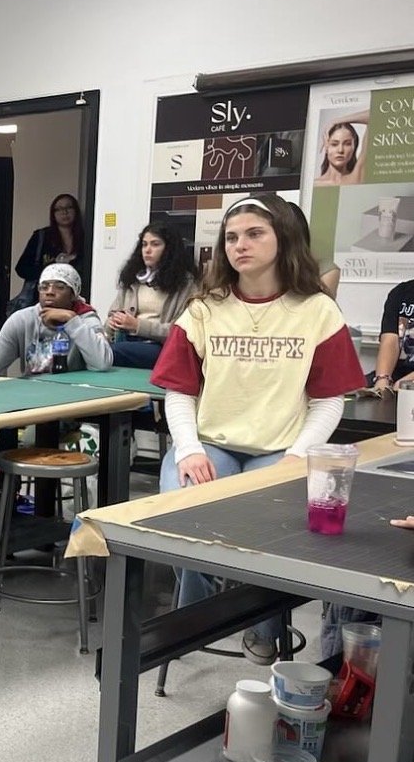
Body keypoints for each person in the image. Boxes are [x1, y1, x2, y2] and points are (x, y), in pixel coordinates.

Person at [150, 193, 365, 662]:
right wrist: (187, 449)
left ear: (282, 237)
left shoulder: (318, 311)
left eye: (253, 234)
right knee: (183, 512)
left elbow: (329, 401)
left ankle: (263, 629)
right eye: (230, 237)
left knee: (265, 527)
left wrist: (299, 456)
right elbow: (179, 391)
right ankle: (198, 617)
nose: (239, 245)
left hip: (282, 450)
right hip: (210, 444)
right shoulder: (205, 308)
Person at [0, 264, 111, 379]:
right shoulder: (22, 320)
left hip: (73, 397)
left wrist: (71, 320)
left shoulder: (86, 318)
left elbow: (102, 363)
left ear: (73, 295)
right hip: (32, 396)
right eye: (44, 287)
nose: (50, 292)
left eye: (60, 287)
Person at [103, 221, 200, 368]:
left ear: (169, 248)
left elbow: (182, 331)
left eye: (155, 244)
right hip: (125, 340)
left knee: (107, 352)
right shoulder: (133, 277)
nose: (147, 250)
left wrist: (137, 325)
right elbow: (113, 313)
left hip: (162, 347)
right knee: (96, 347)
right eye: (144, 244)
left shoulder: (186, 284)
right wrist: (113, 322)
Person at [10, 193, 90, 312]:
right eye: (59, 209)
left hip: (75, 303)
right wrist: (50, 270)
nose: (64, 212)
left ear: (76, 211)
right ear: (53, 214)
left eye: (69, 208)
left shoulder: (87, 238)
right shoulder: (41, 237)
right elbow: (21, 268)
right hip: (42, 303)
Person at [371, 277, 414, 392]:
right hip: (396, 374)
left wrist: (407, 383)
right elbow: (390, 340)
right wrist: (382, 379)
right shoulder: (401, 292)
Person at [315, 119, 364, 187]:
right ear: (326, 147)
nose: (340, 150)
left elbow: (372, 117)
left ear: (354, 147)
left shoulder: (357, 179)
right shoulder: (314, 184)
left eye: (347, 144)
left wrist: (336, 121)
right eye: (334, 144)